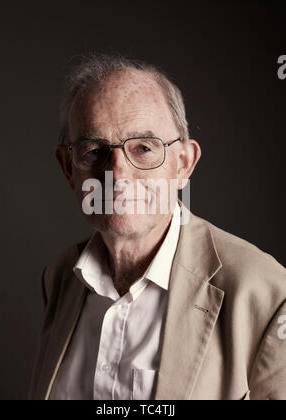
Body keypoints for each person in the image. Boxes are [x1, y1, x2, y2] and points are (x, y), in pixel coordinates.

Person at [29, 54, 286, 400]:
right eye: (94, 151)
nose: (118, 175)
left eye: (144, 148)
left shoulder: (267, 295)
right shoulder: (58, 278)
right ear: (67, 168)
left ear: (183, 164)